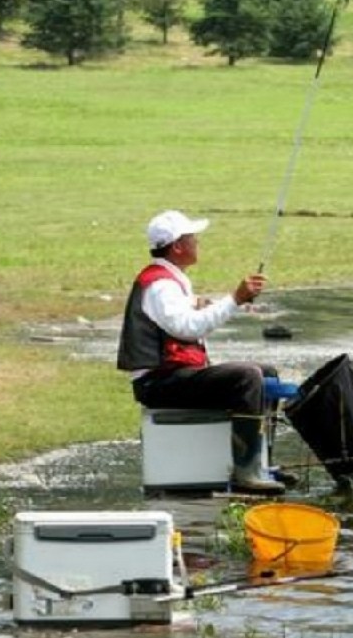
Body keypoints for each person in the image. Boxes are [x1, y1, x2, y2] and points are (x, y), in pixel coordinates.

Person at [116, 210, 285, 493]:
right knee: (247, 377)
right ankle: (246, 472)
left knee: (267, 373)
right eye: (192, 238)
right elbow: (187, 328)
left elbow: (184, 317)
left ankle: (261, 462)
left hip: (172, 376)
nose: (198, 242)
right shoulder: (161, 285)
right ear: (178, 246)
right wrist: (234, 300)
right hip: (158, 383)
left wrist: (209, 303)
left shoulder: (170, 279)